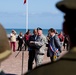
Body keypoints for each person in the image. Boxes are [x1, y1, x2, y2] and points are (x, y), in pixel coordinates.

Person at [24, 0, 76, 75]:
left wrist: (58, 51)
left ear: (64, 28)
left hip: (51, 53)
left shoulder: (43, 71)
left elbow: (58, 45)